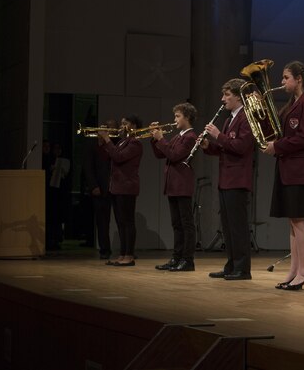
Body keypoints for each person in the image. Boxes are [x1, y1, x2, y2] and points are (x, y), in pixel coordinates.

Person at [262, 61, 304, 291]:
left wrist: (277, 147)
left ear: (299, 78)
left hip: (302, 170)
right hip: (289, 168)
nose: (282, 82)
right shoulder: (293, 103)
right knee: (293, 221)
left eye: (285, 77)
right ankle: (294, 270)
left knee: (299, 220)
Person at [202, 79, 256, 280]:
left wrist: (218, 135)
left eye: (226, 95)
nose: (222, 99)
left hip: (238, 179)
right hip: (226, 179)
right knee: (227, 226)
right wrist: (208, 145)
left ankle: (243, 269)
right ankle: (232, 265)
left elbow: (241, 146)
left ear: (238, 97)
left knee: (238, 227)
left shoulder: (247, 117)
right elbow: (225, 148)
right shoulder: (228, 119)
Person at [151, 103, 199, 272]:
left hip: (182, 184)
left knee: (186, 224)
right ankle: (176, 258)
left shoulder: (190, 136)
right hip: (173, 185)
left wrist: (161, 139)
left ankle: (187, 260)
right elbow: (160, 153)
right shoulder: (179, 136)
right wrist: (154, 138)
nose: (174, 119)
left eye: (178, 116)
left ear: (187, 117)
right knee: (176, 224)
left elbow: (174, 155)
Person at [99, 115, 143, 267]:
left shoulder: (135, 143)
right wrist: (104, 142)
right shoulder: (123, 141)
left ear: (134, 126)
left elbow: (118, 157)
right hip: (117, 187)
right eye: (122, 123)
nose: (122, 125)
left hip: (127, 187)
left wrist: (107, 140)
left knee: (127, 222)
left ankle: (129, 256)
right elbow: (110, 156)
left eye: (126, 123)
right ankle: (123, 254)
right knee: (120, 222)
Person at [82, 118, 118, 260]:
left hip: (115, 187)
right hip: (99, 188)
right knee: (102, 221)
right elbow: (88, 167)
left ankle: (127, 251)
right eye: (108, 128)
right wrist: (93, 186)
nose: (110, 131)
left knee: (121, 219)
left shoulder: (115, 142)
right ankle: (105, 249)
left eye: (112, 129)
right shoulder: (92, 144)